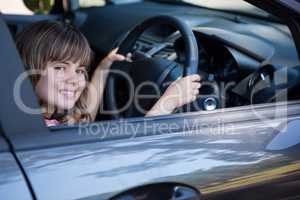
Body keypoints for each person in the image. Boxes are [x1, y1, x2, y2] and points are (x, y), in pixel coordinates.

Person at [16, 20, 201, 126]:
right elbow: (128, 157)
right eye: (59, 68)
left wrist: (104, 67)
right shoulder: (39, 133)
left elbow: (82, 119)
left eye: (80, 70)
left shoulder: (45, 117)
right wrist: (167, 103)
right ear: (28, 66)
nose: (74, 80)